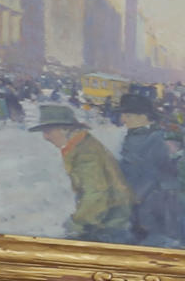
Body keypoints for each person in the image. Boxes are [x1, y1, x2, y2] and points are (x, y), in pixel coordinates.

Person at [116, 85, 185, 251]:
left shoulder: (159, 139)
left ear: (144, 116)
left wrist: (131, 197)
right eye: (123, 115)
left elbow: (154, 174)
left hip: (161, 208)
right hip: (145, 205)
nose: (123, 119)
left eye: (128, 115)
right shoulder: (136, 136)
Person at [32, 103, 132, 242]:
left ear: (65, 129)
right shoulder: (81, 146)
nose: (45, 137)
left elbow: (96, 194)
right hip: (104, 220)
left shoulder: (86, 153)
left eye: (48, 131)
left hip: (109, 225)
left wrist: (75, 223)